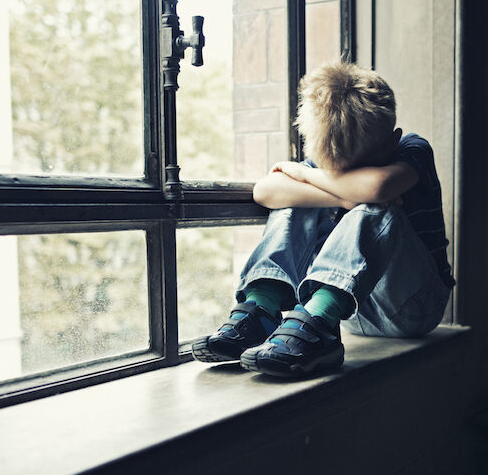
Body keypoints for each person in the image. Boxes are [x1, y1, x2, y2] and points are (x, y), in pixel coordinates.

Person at [192, 60, 454, 376]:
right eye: (331, 170)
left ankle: (317, 325)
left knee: (376, 208)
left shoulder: (413, 148)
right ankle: (263, 309)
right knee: (293, 204)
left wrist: (304, 174)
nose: (327, 173)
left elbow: (380, 187)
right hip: (349, 311)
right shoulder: (325, 157)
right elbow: (265, 191)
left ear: (394, 138)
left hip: (414, 308)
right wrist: (344, 192)